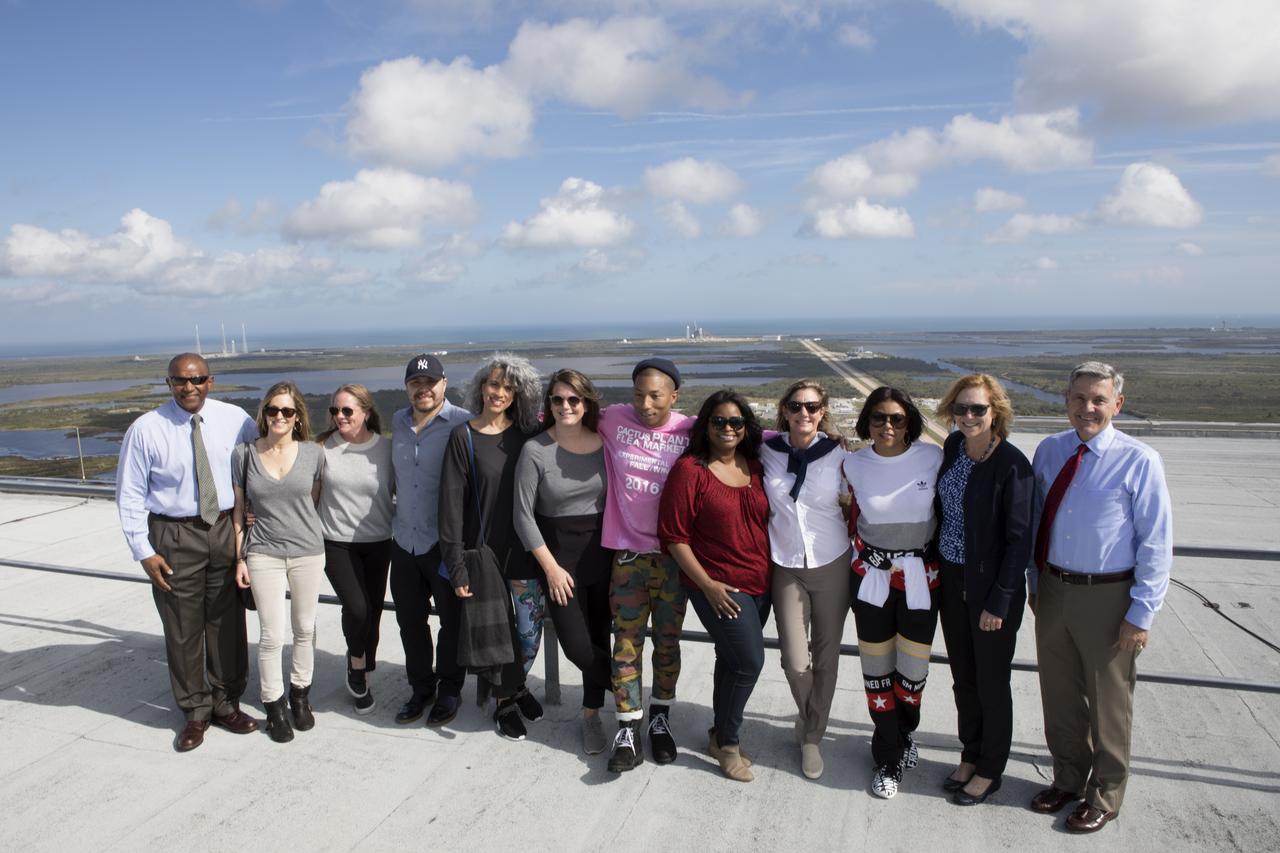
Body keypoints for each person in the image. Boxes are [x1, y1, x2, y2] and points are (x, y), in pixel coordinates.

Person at [1027, 362, 1172, 834]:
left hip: (1108, 595)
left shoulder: (1140, 460)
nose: (1087, 408)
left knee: (1109, 700)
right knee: (1060, 694)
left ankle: (1106, 793)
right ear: (1065, 399)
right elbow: (1034, 523)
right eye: (1078, 398)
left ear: (1117, 404)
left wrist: (1142, 612)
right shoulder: (1049, 451)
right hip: (1052, 588)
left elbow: (1156, 542)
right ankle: (1068, 778)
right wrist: (1034, 582)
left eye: (1098, 400)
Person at [116, 353, 260, 751]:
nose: (189, 388)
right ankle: (195, 712)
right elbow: (129, 494)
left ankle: (226, 702)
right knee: (183, 628)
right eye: (180, 381)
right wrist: (143, 551)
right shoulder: (146, 429)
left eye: (196, 380)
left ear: (210, 381)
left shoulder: (237, 421)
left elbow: (256, 472)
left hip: (225, 528)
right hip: (174, 534)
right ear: (169, 383)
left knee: (227, 622)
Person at [659, 389, 771, 782]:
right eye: (719, 421)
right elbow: (674, 536)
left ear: (746, 428)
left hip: (760, 583)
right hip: (718, 586)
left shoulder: (755, 466)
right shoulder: (691, 470)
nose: (727, 428)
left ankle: (716, 732)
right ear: (705, 426)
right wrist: (707, 585)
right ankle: (729, 744)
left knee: (732, 661)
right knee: (751, 662)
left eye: (736, 422)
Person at [933, 375, 1034, 805]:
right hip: (952, 581)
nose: (968, 416)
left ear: (996, 412)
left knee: (991, 683)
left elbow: (1020, 540)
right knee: (963, 680)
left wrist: (1000, 600)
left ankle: (991, 769)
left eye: (978, 409)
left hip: (991, 591)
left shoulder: (1012, 464)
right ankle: (970, 754)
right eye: (961, 409)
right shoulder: (953, 449)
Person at [843, 386, 943, 799]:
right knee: (877, 670)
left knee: (913, 673)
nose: (887, 425)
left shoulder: (932, 458)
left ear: (910, 423)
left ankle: (903, 734)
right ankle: (888, 756)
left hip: (921, 578)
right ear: (866, 421)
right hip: (871, 578)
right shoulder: (852, 462)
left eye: (897, 418)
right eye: (879, 417)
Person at [439, 352, 544, 740]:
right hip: (482, 555)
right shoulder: (462, 437)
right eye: (493, 384)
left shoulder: (527, 437)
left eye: (508, 386)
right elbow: (449, 507)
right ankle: (504, 703)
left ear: (519, 394)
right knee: (497, 638)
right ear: (481, 387)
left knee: (528, 635)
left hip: (524, 552)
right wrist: (456, 566)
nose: (499, 392)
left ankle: (515, 686)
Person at [600, 357, 694, 772]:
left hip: (674, 560)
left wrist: (821, 435)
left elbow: (749, 431)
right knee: (625, 645)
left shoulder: (690, 428)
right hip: (628, 559)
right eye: (638, 394)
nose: (645, 403)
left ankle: (660, 718)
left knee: (668, 643)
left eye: (655, 395)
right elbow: (558, 413)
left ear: (674, 396)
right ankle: (627, 728)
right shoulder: (614, 419)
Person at [514, 369, 613, 754]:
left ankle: (591, 716)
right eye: (558, 399)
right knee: (578, 647)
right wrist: (551, 568)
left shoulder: (604, 443)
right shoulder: (535, 450)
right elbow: (522, 516)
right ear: (549, 405)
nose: (566, 406)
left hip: (604, 557)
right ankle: (627, 689)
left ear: (586, 402)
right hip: (560, 565)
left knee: (600, 637)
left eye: (574, 399)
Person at [760, 380, 850, 781]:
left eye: (812, 407)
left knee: (826, 658)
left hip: (832, 561)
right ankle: (809, 715)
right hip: (786, 564)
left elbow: (856, 499)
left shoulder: (839, 454)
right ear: (785, 410)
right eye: (796, 406)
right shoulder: (765, 449)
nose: (804, 414)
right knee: (795, 661)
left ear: (823, 411)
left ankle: (812, 735)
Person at [231, 381, 325, 743]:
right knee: (271, 634)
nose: (280, 416)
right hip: (263, 552)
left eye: (288, 411)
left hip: (307, 551)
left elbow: (312, 502)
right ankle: (274, 704)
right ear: (264, 413)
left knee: (305, 627)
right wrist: (240, 556)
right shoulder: (244, 455)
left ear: (298, 416)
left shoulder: (313, 454)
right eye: (273, 410)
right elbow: (240, 512)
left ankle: (300, 695)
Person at [388, 353, 472, 727]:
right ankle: (421, 688)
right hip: (404, 539)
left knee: (452, 622)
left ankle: (450, 689)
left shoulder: (462, 424)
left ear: (444, 382)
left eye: (429, 382)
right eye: (415, 383)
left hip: (444, 543)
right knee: (410, 621)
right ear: (407, 387)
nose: (423, 389)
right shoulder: (397, 422)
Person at [316, 384, 393, 716]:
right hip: (336, 541)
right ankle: (356, 665)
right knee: (358, 607)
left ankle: (364, 659)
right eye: (335, 411)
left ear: (366, 411)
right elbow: (306, 495)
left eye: (347, 410)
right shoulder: (321, 449)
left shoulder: (386, 449)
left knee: (373, 610)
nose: (340, 417)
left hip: (379, 541)